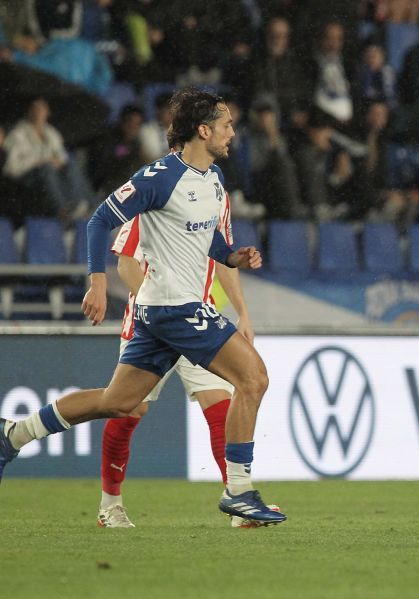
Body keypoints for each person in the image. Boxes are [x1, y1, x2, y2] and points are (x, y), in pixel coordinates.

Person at [0, 88, 285, 526]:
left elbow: (205, 237)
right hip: (174, 307)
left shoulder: (213, 180)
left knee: (119, 402)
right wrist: (97, 283)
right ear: (203, 130)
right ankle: (240, 492)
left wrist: (231, 257)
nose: (233, 132)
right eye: (226, 124)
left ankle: (14, 434)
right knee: (254, 377)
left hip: (162, 314)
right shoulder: (159, 177)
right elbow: (99, 219)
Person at [98, 190, 274, 529]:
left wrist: (243, 313)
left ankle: (238, 502)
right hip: (152, 324)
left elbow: (225, 260)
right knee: (128, 409)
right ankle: (110, 505)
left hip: (198, 323)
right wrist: (159, 305)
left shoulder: (214, 202)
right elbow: (125, 262)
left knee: (220, 404)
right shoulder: (155, 202)